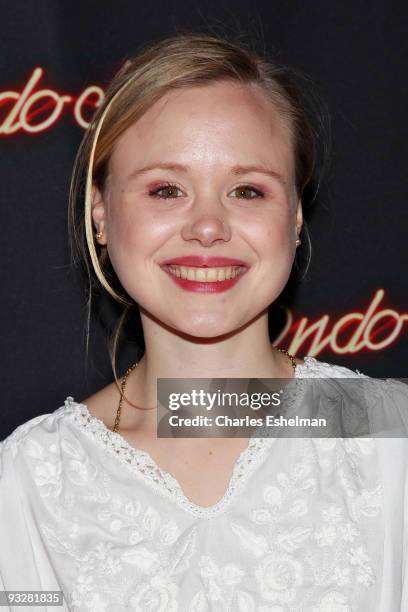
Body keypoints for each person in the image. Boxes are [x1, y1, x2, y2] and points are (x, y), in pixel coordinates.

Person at [0, 32, 407, 612]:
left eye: (247, 190)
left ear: (293, 217)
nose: (208, 226)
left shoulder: (390, 439)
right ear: (101, 214)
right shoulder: (32, 483)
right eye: (167, 189)